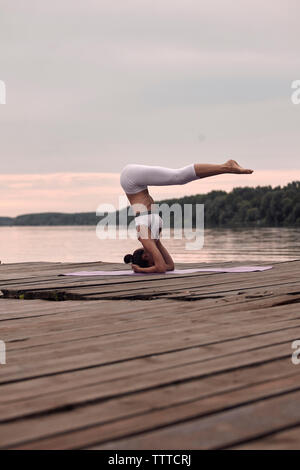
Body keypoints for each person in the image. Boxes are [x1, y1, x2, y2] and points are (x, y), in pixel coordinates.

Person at [120, 160, 253, 273]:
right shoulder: (153, 239)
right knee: (178, 177)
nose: (155, 261)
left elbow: (160, 268)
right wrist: (150, 268)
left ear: (145, 256)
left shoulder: (143, 236)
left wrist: (140, 270)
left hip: (129, 178)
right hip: (139, 190)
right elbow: (170, 267)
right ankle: (226, 167)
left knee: (178, 177)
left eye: (151, 263)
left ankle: (227, 166)